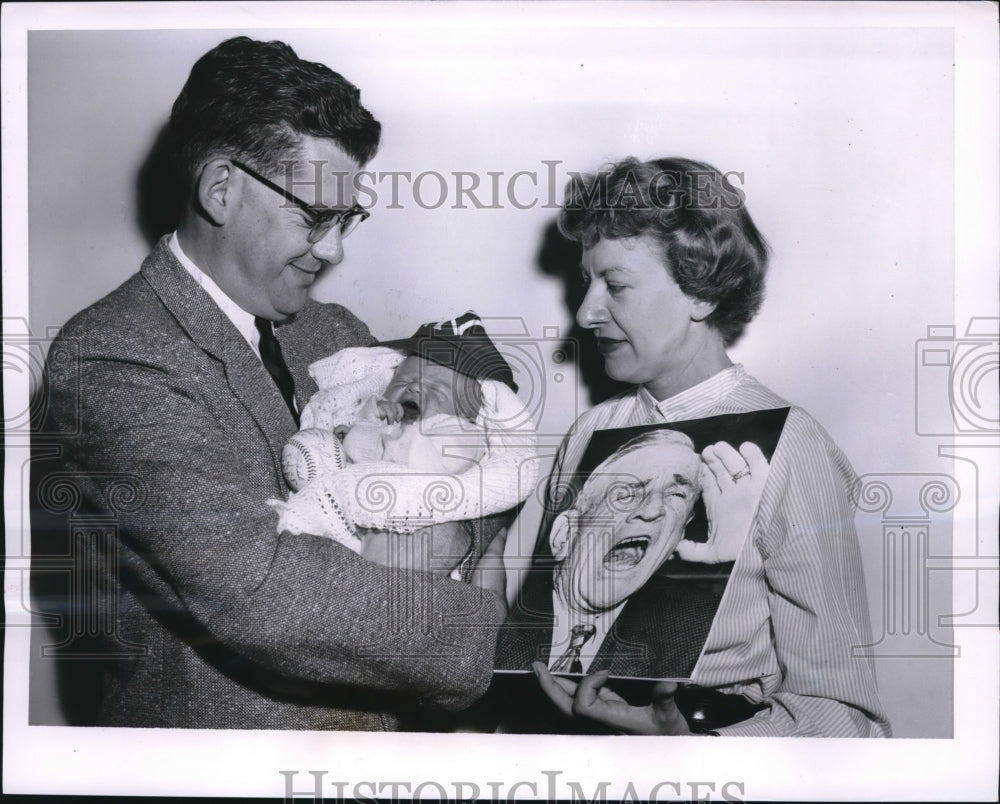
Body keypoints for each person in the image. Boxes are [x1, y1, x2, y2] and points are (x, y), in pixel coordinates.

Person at [32, 37, 507, 730]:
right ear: (220, 189)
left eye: (347, 219)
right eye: (314, 218)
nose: (335, 249)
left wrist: (454, 536)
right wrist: (481, 623)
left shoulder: (334, 331)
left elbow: (470, 450)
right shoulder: (113, 355)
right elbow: (261, 589)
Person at [522, 156, 892, 737]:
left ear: (701, 294)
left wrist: (698, 752)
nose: (586, 312)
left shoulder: (793, 446)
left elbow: (844, 715)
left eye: (614, 285)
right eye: (586, 281)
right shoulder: (589, 433)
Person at [271, 313, 539, 574]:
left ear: (469, 414)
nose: (415, 389)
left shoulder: (462, 436)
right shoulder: (381, 422)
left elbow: (411, 460)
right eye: (403, 381)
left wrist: (365, 431)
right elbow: (348, 462)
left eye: (437, 390)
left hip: (403, 534)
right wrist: (340, 441)